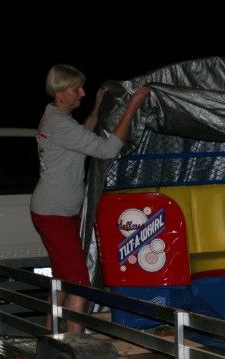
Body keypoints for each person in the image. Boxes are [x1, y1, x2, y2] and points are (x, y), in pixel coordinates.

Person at [31, 64, 150, 333]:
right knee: (79, 283)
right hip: (55, 214)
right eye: (76, 89)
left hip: (54, 210)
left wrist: (96, 111)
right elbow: (106, 150)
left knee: (63, 277)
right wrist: (132, 106)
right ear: (60, 92)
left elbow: (79, 137)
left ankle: (50, 333)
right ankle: (76, 344)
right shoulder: (59, 123)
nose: (82, 93)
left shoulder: (54, 117)